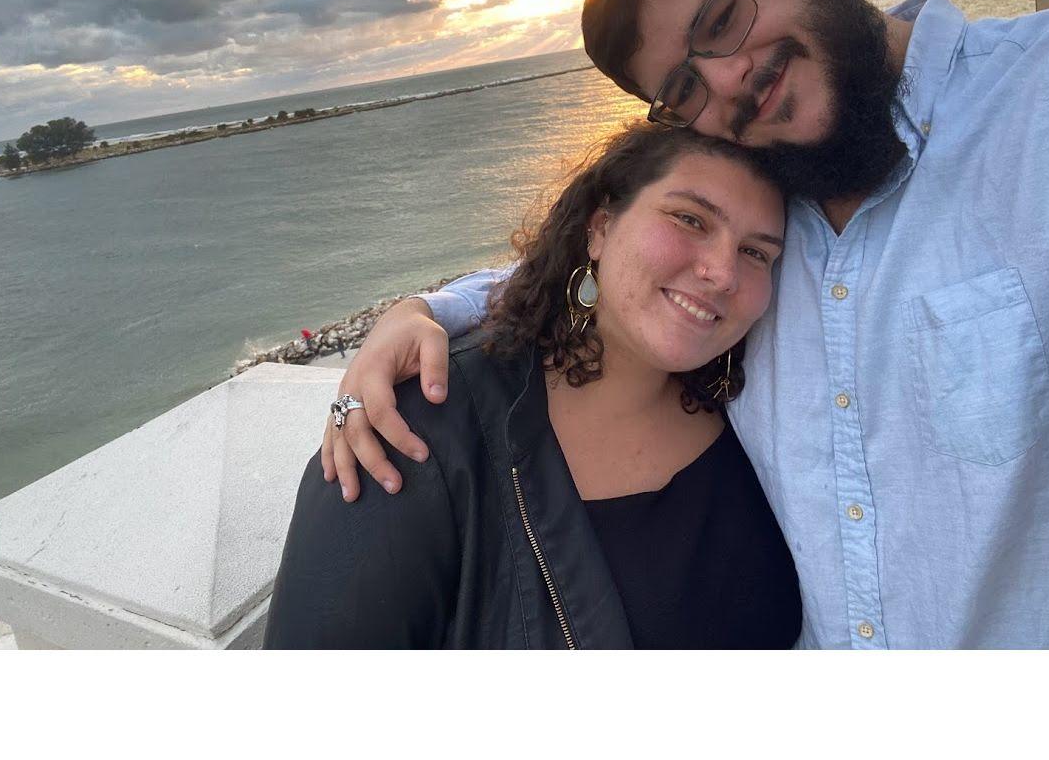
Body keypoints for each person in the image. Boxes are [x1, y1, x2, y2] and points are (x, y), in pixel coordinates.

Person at [322, 0, 1049, 650]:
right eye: (683, 89)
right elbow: (615, 261)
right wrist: (423, 309)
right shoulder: (759, 221)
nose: (730, 79)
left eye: (722, 18)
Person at [264, 123, 801, 648]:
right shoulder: (413, 432)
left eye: (757, 252)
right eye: (690, 219)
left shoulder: (750, 406)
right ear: (600, 228)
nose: (724, 273)